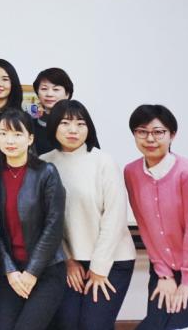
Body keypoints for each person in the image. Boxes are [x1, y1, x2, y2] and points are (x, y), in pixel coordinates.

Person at [123, 104, 188, 330]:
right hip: (167, 265)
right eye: (142, 132)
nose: (150, 139)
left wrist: (187, 282)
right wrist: (164, 274)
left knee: (185, 325)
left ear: (172, 135)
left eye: (158, 132)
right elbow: (146, 227)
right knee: (154, 326)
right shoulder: (131, 172)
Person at [40, 100, 135, 330]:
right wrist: (68, 260)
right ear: (53, 126)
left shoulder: (103, 161)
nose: (73, 130)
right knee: (68, 324)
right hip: (69, 261)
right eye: (65, 123)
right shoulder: (43, 163)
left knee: (93, 325)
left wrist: (99, 268)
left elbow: (114, 217)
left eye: (80, 124)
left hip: (111, 259)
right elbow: (45, 221)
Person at [0, 109, 66, 330]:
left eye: (17, 134)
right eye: (4, 133)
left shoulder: (46, 172)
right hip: (11, 271)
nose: (10, 141)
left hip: (46, 270)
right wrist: (10, 270)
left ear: (30, 138)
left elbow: (54, 226)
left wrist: (32, 272)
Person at [31, 68, 73, 155]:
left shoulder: (78, 122)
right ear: (37, 93)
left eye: (56, 89)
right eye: (44, 89)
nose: (49, 94)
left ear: (67, 94)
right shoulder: (30, 124)